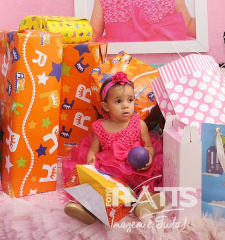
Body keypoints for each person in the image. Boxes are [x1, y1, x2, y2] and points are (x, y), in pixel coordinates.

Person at [63, 72, 165, 224]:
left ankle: (143, 203)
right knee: (98, 185)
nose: (126, 105)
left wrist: (149, 157)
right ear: (106, 106)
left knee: (147, 182)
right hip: (111, 171)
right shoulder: (100, 127)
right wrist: (91, 163)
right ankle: (86, 208)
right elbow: (93, 150)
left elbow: (149, 146)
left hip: (136, 169)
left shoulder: (139, 124)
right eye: (118, 101)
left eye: (130, 100)